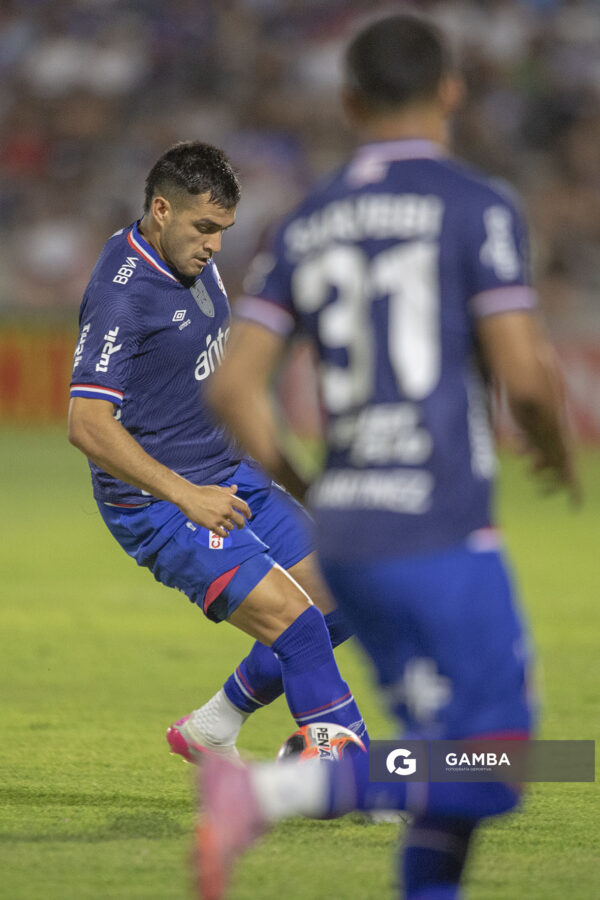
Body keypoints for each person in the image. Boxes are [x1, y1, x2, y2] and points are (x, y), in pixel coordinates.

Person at [196, 12, 579, 900]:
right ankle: (270, 791)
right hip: (443, 524)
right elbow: (524, 374)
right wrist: (558, 451)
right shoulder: (476, 204)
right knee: (507, 760)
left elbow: (234, 387)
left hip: (351, 539)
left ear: (349, 99)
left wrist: (304, 484)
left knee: (443, 768)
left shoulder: (308, 221)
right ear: (451, 89)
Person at [67, 140, 368, 764]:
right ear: (160, 210)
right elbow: (88, 424)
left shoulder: (193, 263)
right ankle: (351, 769)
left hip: (229, 473)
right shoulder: (124, 292)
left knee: (343, 595)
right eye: (204, 228)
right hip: (161, 503)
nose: (213, 244)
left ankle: (214, 725)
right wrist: (186, 496)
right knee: (297, 623)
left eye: (223, 230)